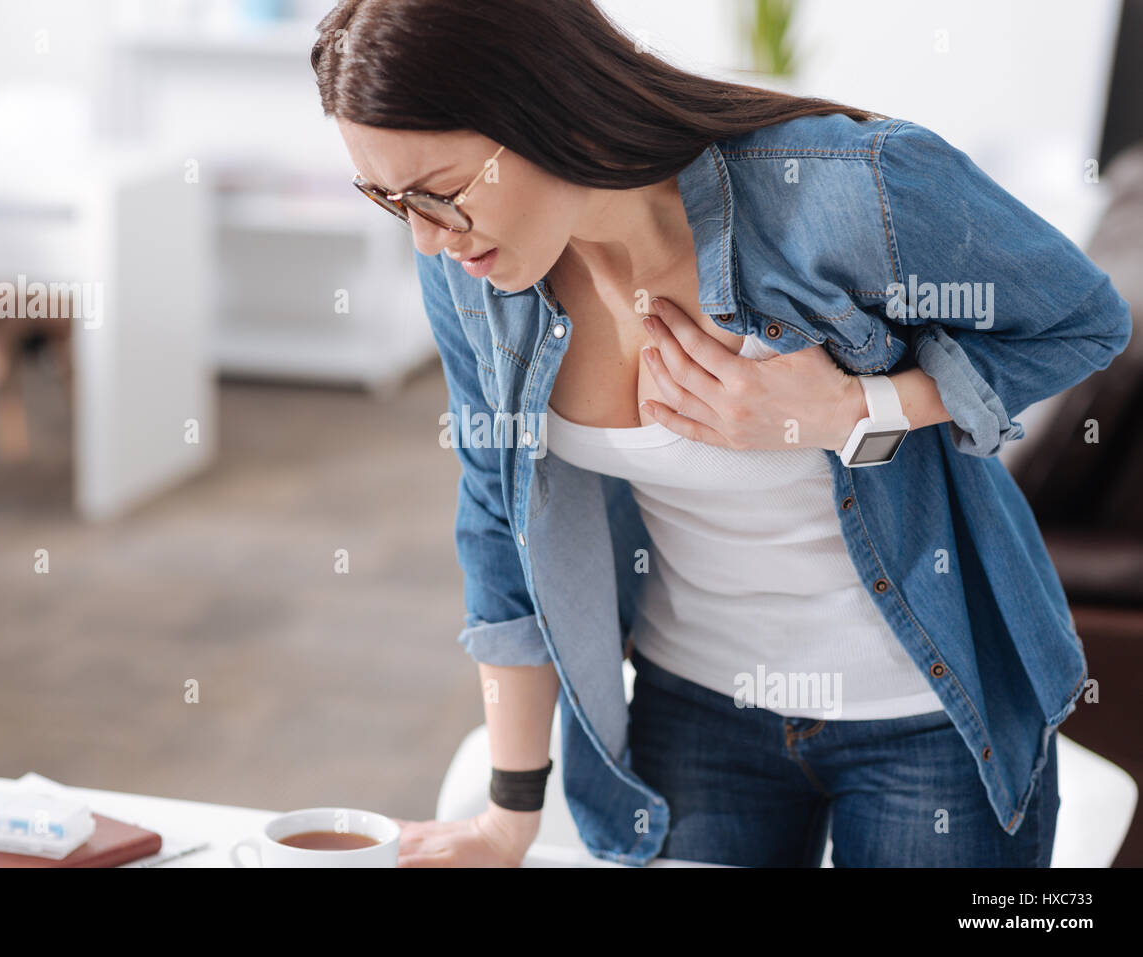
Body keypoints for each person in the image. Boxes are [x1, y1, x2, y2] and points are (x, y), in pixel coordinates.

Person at [311, 0, 1132, 866]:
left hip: (927, 717)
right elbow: (497, 513)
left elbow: (1083, 322)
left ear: (539, 105)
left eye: (440, 192)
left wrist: (854, 410)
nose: (429, 239)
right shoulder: (474, 266)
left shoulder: (847, 188)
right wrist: (507, 815)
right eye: (390, 198)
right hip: (696, 709)